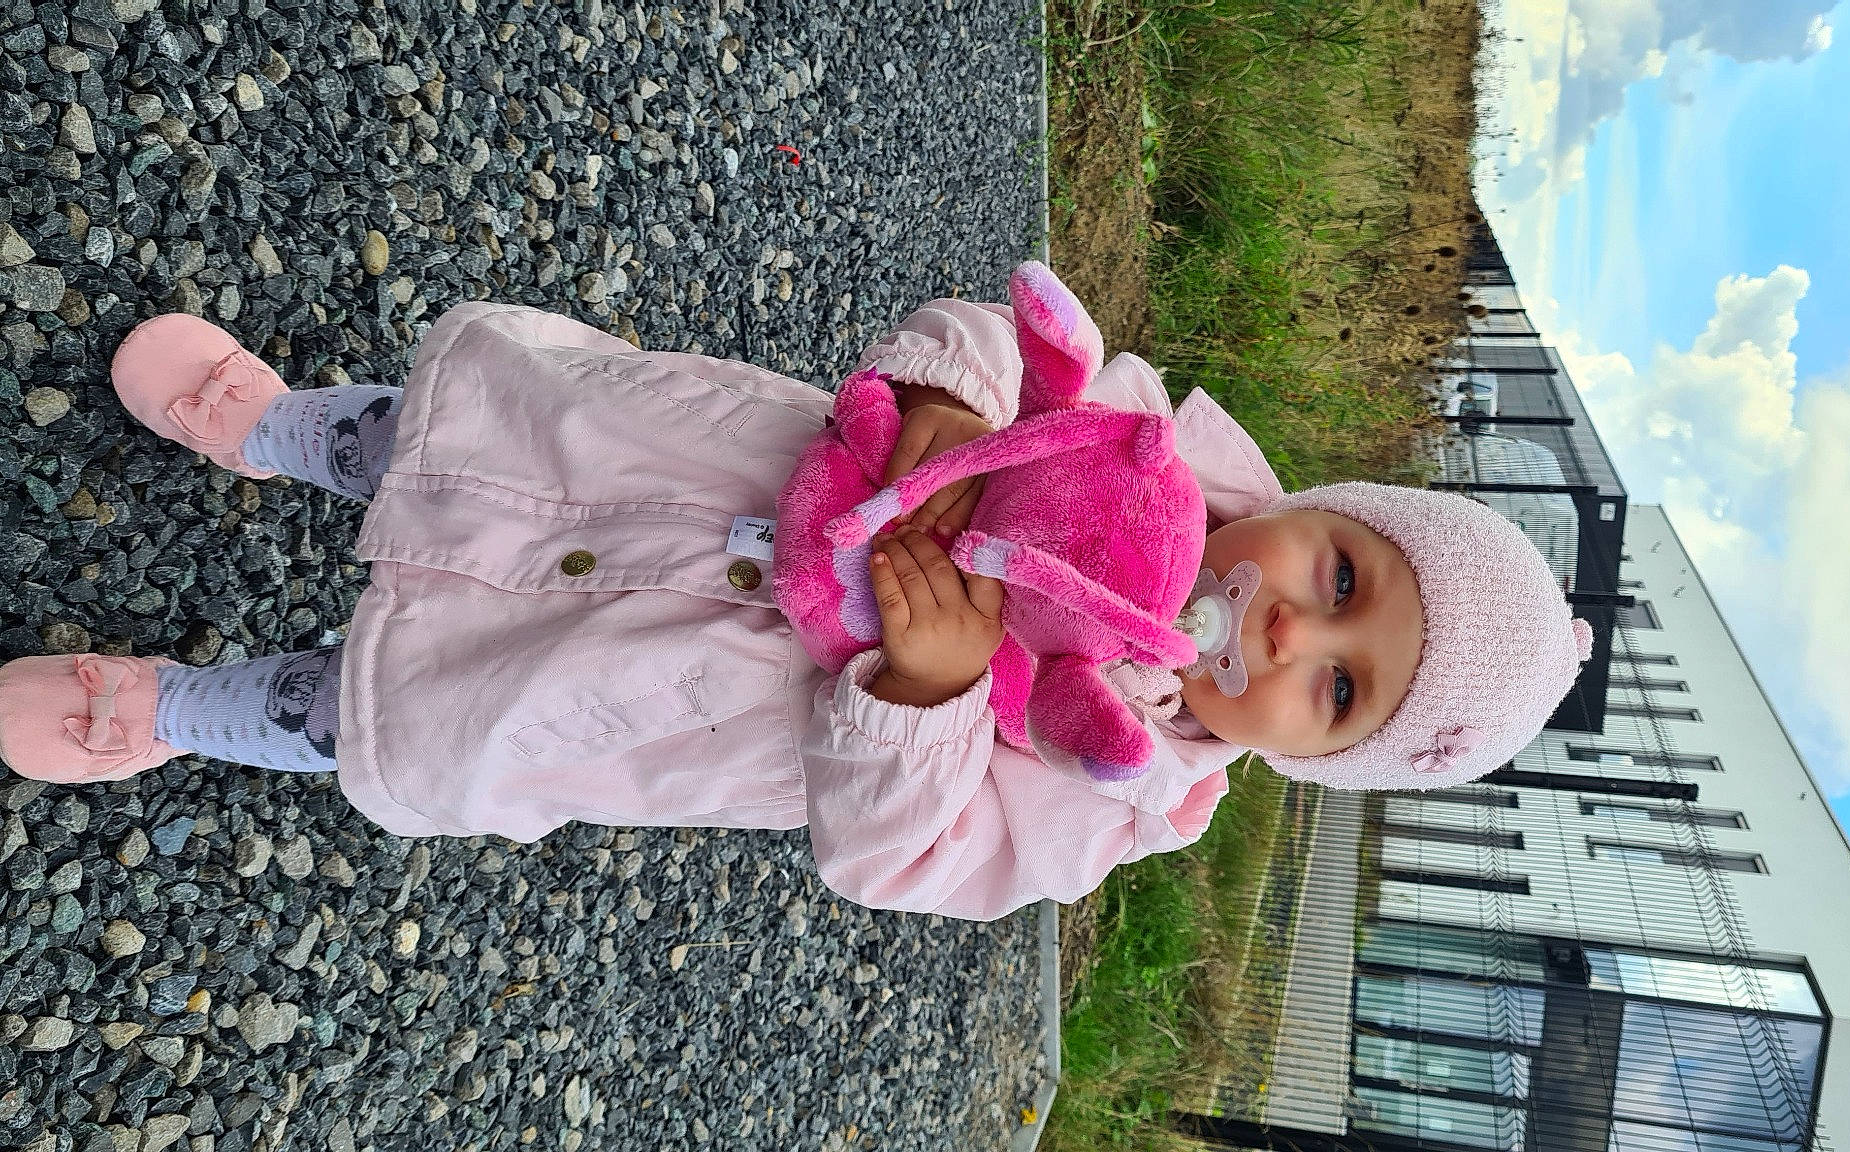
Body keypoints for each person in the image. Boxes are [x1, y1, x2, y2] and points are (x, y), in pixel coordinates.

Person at [0, 288, 1589, 921]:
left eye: (1338, 690)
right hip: (672, 469)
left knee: (396, 708)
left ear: (1310, 757)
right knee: (461, 438)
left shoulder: (1119, 801)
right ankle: (286, 432)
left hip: (654, 688)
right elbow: (991, 325)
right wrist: (950, 411)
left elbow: (904, 860)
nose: (1295, 631)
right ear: (1331, 513)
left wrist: (938, 693)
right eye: (1346, 578)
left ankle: (184, 711)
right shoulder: (1142, 436)